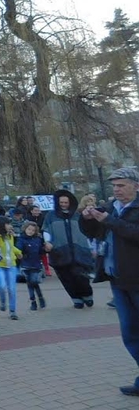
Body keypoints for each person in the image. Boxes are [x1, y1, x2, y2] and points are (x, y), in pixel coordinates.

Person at [80, 168, 139, 396]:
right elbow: (94, 232)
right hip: (118, 280)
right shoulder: (111, 208)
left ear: (136, 185)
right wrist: (86, 219)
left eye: (121, 185)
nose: (116, 190)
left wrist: (110, 221)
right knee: (130, 333)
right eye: (114, 186)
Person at [43, 189, 94, 308]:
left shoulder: (77, 215)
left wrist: (90, 247)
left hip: (78, 251)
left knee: (81, 276)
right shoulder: (51, 216)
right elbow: (46, 230)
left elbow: (86, 231)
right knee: (66, 278)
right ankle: (76, 298)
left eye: (66, 202)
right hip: (59, 252)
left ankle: (87, 295)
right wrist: (47, 242)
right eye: (61, 202)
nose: (64, 205)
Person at [0, 217, 22, 320]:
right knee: (1, 286)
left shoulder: (10, 236)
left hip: (11, 265)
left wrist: (18, 252)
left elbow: (11, 247)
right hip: (0, 265)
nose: (11, 226)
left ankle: (13, 310)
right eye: (8, 224)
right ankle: (3, 301)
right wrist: (0, 237)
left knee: (12, 288)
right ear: (2, 225)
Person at [16, 221, 46, 311]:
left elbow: (41, 251)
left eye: (33, 230)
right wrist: (20, 253)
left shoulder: (38, 239)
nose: (30, 231)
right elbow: (18, 249)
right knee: (30, 283)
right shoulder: (21, 239)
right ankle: (34, 301)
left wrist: (45, 249)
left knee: (34, 282)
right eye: (29, 229)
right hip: (26, 264)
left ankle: (40, 297)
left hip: (36, 264)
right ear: (25, 229)